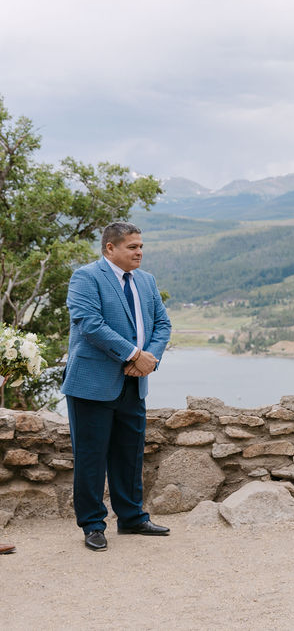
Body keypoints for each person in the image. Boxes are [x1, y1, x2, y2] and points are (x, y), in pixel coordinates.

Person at [62, 222, 172, 552]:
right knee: (91, 456)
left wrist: (149, 358)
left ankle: (132, 517)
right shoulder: (86, 277)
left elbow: (163, 324)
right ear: (110, 248)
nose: (139, 252)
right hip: (92, 383)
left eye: (141, 247)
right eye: (132, 247)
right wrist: (134, 354)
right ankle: (93, 524)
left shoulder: (147, 280)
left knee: (129, 452)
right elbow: (90, 324)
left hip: (135, 382)